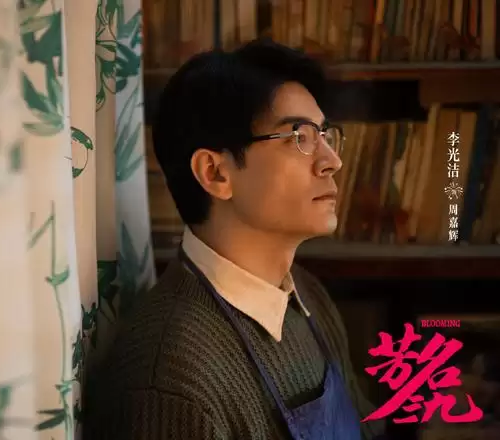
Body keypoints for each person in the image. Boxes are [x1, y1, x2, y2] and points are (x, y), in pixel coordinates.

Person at [85, 38, 386, 440]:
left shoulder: (307, 295)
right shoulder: (169, 380)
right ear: (215, 173)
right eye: (300, 136)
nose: (333, 161)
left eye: (326, 135)